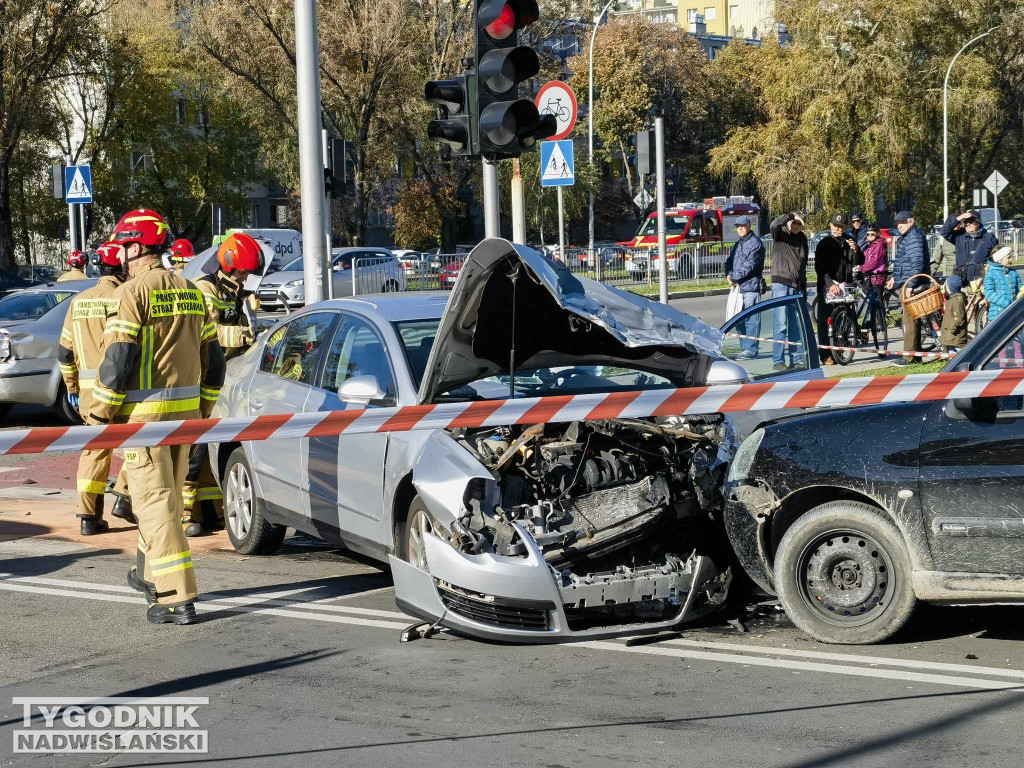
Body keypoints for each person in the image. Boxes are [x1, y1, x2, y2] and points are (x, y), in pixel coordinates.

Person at [90, 208, 225, 625]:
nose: (122, 254)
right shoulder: (190, 290)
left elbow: (119, 356)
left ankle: (174, 597)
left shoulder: (132, 292)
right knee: (161, 503)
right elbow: (214, 360)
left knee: (156, 506)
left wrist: (101, 410)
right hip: (185, 419)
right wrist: (203, 408)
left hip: (144, 421)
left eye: (125, 245)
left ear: (137, 245)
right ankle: (148, 575)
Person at [182, 232, 264, 537]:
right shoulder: (205, 288)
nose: (245, 277)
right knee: (197, 449)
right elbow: (209, 330)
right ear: (229, 264)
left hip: (228, 378)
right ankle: (187, 515)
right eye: (242, 271)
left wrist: (252, 315)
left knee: (215, 446)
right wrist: (243, 334)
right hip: (203, 377)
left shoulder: (239, 292)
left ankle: (209, 513)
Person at [57, 243, 137, 535]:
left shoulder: (79, 301)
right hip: (123, 388)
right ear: (123, 268)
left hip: (89, 394)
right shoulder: (123, 297)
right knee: (139, 445)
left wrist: (72, 386)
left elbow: (65, 351)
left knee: (94, 451)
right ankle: (126, 498)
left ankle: (88, 517)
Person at [815, 214, 864, 364]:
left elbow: (860, 261)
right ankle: (825, 354)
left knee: (846, 318)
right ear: (830, 226)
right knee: (825, 321)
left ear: (845, 228)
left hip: (845, 285)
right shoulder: (824, 243)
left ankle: (841, 349)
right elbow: (820, 268)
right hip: (828, 286)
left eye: (841, 227)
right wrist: (831, 284)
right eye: (835, 226)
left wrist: (856, 250)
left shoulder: (849, 240)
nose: (838, 229)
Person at [887, 210, 930, 366]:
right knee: (912, 321)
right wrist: (894, 278)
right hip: (906, 282)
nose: (899, 226)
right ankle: (915, 355)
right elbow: (903, 262)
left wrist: (910, 285)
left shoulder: (914, 237)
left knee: (909, 321)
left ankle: (909, 357)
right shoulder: (909, 237)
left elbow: (916, 263)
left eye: (902, 223)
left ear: (911, 221)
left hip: (912, 284)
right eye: (898, 224)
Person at [769, 211, 809, 371]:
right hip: (780, 283)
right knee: (780, 325)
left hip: (796, 285)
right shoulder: (780, 233)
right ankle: (777, 360)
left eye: (800, 224)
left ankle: (796, 359)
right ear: (789, 222)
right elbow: (774, 224)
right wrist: (790, 216)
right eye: (795, 223)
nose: (797, 226)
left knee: (795, 324)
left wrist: (803, 287)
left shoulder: (802, 239)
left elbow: (803, 264)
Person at [724, 215, 765, 359]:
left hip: (751, 288)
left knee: (751, 321)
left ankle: (752, 349)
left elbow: (750, 265)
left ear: (748, 226)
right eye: (738, 226)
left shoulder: (756, 243)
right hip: (738, 288)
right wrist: (728, 275)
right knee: (738, 319)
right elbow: (729, 261)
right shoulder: (738, 244)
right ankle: (745, 348)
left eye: (742, 226)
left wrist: (733, 277)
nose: (740, 228)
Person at [940, 209, 999, 282]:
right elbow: (944, 231)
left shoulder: (989, 237)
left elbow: (997, 258)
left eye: (971, 221)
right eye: (965, 222)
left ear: (978, 223)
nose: (967, 224)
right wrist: (959, 218)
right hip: (962, 281)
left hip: (983, 281)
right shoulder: (959, 236)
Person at [983, 246, 1022, 324]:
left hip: (1014, 313)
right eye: (1008, 257)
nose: (1011, 259)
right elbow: (989, 293)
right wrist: (1006, 303)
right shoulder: (991, 274)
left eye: (1011, 257)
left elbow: (1020, 288)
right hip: (998, 315)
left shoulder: (1013, 272)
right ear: (999, 259)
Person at [859, 223, 888, 309]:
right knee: (873, 301)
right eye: (868, 234)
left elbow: (873, 262)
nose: (870, 236)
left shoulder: (879, 244)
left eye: (872, 234)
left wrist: (861, 269)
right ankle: (874, 320)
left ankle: (881, 321)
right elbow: (866, 258)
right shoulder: (870, 245)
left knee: (877, 302)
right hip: (872, 276)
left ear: (878, 234)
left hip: (877, 276)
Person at [939, 274, 968, 354]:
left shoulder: (957, 301)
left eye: (946, 285)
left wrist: (951, 329)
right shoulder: (953, 299)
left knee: (955, 355)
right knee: (951, 353)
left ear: (951, 288)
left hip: (955, 336)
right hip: (952, 337)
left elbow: (959, 317)